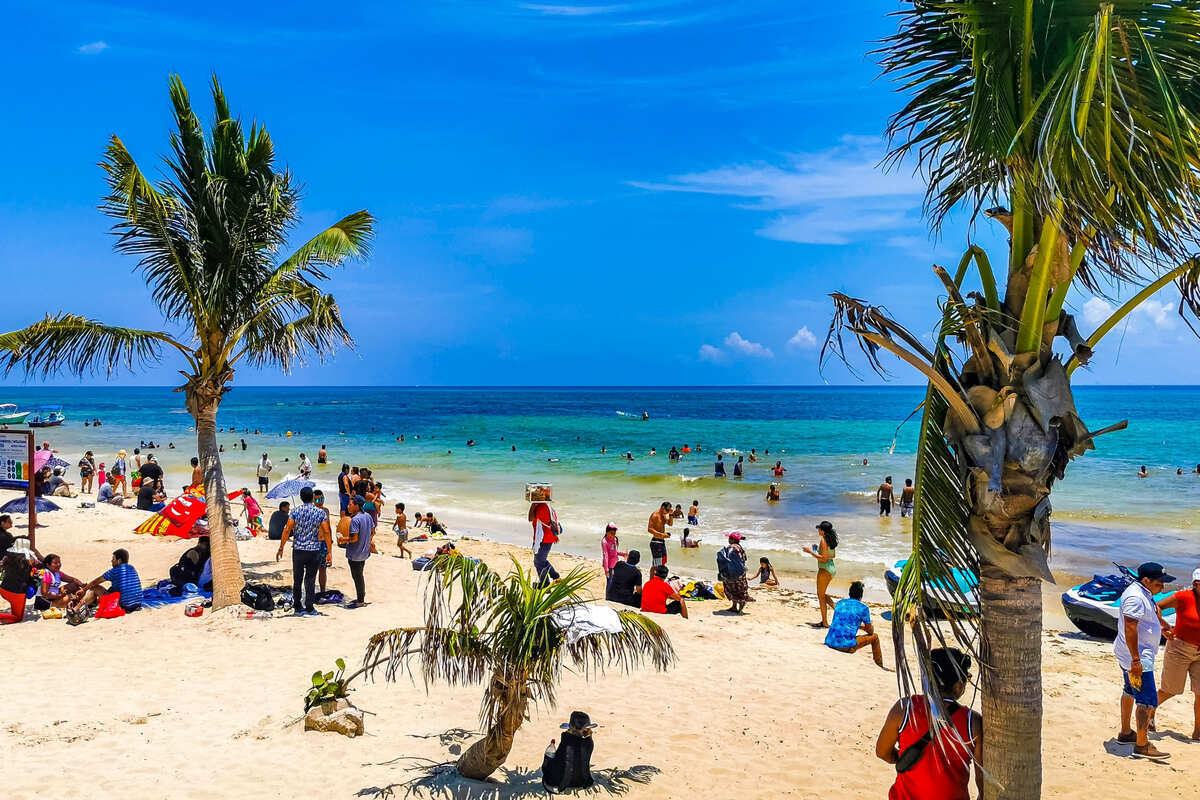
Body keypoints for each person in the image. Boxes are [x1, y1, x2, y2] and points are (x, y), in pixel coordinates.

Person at [876, 648, 982, 799]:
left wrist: (903, 759)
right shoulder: (973, 722)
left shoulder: (904, 708)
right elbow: (982, 782)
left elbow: (882, 752)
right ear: (958, 685)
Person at [1114, 561, 1175, 759]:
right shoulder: (1135, 596)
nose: (1163, 587)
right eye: (1160, 583)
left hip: (1133, 654)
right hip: (1138, 656)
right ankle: (1142, 745)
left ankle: (1125, 733)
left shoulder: (1143, 592)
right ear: (1147, 580)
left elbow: (1153, 608)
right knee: (1147, 701)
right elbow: (1130, 627)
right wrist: (1136, 660)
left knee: (1130, 690)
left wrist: (1162, 624)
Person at [1156, 566, 1200, 740]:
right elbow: (1156, 606)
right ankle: (1148, 711)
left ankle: (1198, 731)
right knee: (1170, 689)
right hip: (1179, 649)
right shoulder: (1184, 597)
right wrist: (1162, 626)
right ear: (1196, 584)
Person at [276, 486, 331, 616]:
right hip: (314, 550)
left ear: (301, 498)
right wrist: (329, 551)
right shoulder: (320, 512)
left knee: (298, 578)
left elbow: (287, 529)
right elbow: (327, 531)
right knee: (310, 579)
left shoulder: (295, 511)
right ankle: (310, 607)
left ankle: (298, 605)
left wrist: (281, 547)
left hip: (299, 549)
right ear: (312, 497)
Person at [825, 581, 884, 668]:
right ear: (861, 595)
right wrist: (869, 626)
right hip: (845, 645)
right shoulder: (863, 608)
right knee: (874, 637)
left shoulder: (841, 603)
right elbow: (870, 631)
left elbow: (844, 620)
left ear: (849, 593)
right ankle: (879, 665)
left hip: (830, 641)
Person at [70, 549, 144, 615]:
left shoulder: (115, 571)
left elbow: (95, 582)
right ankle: (89, 604)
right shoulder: (132, 568)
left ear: (119, 561)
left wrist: (84, 590)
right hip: (137, 604)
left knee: (95, 588)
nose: (111, 561)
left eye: (113, 559)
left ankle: (77, 608)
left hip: (124, 606)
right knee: (111, 589)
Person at [542, 710, 596, 792]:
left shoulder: (567, 742)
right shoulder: (588, 743)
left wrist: (562, 786)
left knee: (549, 756)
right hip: (581, 781)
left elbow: (568, 765)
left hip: (559, 781)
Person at [805, 521, 838, 627]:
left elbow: (823, 559)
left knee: (820, 595)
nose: (818, 530)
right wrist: (816, 550)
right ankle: (827, 618)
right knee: (822, 594)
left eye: (819, 529)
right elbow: (832, 555)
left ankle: (828, 619)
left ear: (823, 531)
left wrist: (810, 551)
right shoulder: (831, 540)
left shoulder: (823, 540)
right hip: (831, 569)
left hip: (824, 570)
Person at [345, 495, 374, 608]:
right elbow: (372, 531)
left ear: (356, 506)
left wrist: (343, 539)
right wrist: (366, 542)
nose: (348, 506)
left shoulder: (355, 519)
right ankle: (360, 597)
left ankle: (361, 600)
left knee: (357, 577)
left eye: (350, 504)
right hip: (364, 552)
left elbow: (353, 538)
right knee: (359, 575)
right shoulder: (367, 516)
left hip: (355, 554)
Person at [529, 498, 561, 587]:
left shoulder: (542, 508)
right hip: (547, 538)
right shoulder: (548, 507)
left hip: (543, 540)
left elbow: (530, 518)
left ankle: (545, 584)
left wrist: (533, 505)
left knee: (538, 562)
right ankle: (555, 576)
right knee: (541, 560)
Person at [1, 547, 37, 623]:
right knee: (18, 618)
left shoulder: (8, 561)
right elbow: (30, 581)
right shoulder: (27, 567)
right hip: (17, 595)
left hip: (3, 590)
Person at [716, 533, 749, 613]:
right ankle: (736, 606)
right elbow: (745, 559)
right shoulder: (739, 547)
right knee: (740, 588)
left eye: (730, 538)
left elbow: (727, 559)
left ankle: (738, 605)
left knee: (732, 588)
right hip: (741, 572)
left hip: (733, 572)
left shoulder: (731, 547)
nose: (728, 540)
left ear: (733, 540)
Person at [313, 490, 333, 592]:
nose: (320, 502)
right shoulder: (311, 512)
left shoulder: (326, 511)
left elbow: (328, 528)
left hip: (324, 543)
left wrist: (330, 549)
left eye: (322, 499)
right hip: (314, 543)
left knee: (323, 568)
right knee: (312, 569)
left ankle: (322, 590)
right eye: (317, 499)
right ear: (313, 500)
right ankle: (310, 590)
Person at [647, 501, 673, 569]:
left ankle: (658, 578)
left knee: (663, 562)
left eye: (669, 510)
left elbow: (670, 524)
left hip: (662, 542)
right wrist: (662, 535)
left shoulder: (663, 516)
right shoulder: (655, 515)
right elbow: (649, 529)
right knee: (656, 564)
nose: (667, 512)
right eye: (667, 510)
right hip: (655, 542)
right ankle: (652, 579)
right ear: (662, 507)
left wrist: (671, 515)